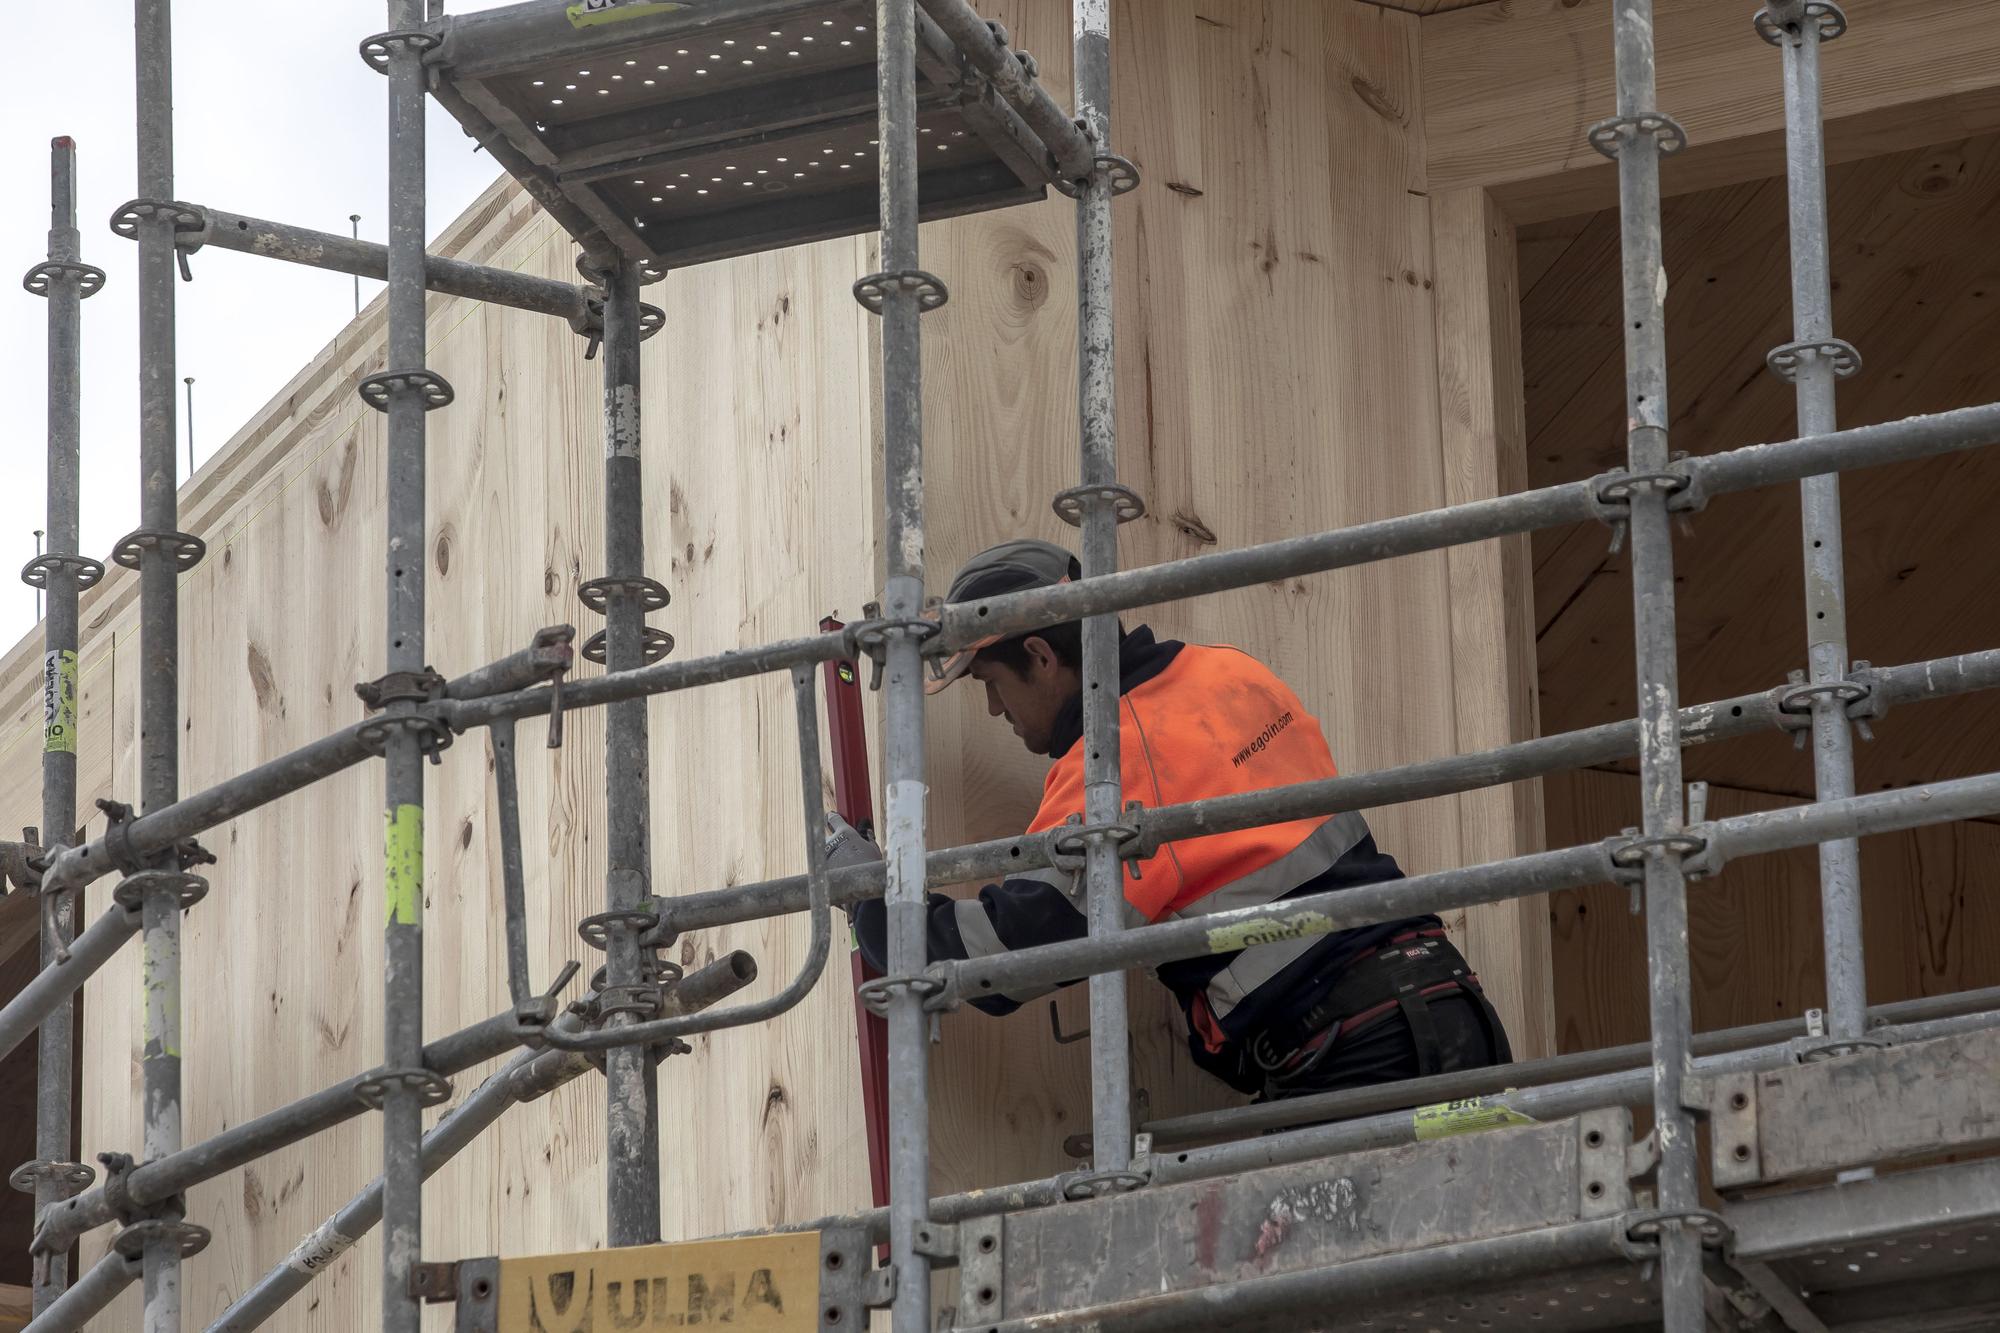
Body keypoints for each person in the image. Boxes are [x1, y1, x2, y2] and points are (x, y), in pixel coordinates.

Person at [828, 539, 1510, 1102]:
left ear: (1040, 656)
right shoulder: (1227, 672)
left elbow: (1010, 958)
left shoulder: (1116, 759)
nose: (995, 712)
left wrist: (872, 899)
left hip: (1355, 1051)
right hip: (1451, 1004)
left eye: (992, 685)